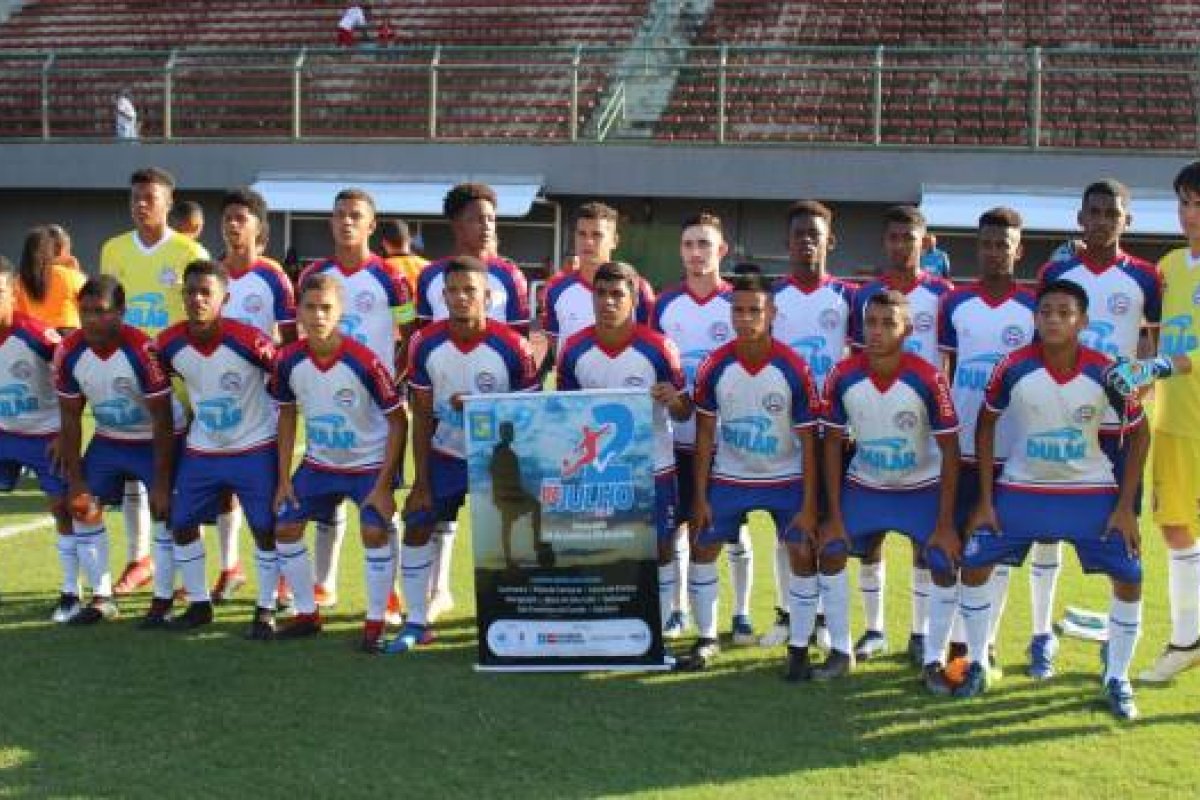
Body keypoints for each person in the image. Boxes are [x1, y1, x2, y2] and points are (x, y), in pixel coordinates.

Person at [959, 279, 1149, 721]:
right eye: (1046, 311)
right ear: (1036, 318)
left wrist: (1124, 507)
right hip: (1022, 488)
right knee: (974, 564)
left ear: (1082, 321)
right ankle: (977, 663)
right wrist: (986, 500)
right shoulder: (1013, 367)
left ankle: (1117, 677)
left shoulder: (1107, 370)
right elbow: (985, 426)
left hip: (1089, 490)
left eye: (1065, 312)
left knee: (1130, 575)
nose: (1054, 319)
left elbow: (1139, 433)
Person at [1031, 179, 1161, 680]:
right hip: (1061, 420)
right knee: (1046, 533)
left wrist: (1143, 383)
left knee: (1122, 534)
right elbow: (1044, 335)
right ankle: (1041, 636)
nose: (1104, 220)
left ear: (1127, 220)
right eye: (1096, 212)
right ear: (1080, 218)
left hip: (1118, 429)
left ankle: (1115, 641)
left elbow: (1160, 344)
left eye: (1114, 213)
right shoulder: (1056, 272)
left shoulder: (1147, 279)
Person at [387, 256, 538, 653]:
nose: (460, 297)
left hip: (501, 463)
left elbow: (531, 417)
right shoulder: (425, 343)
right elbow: (420, 414)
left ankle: (519, 617)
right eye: (452, 290)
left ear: (487, 297)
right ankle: (417, 620)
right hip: (447, 455)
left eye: (469, 290)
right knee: (418, 521)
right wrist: (420, 479)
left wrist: (482, 407)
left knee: (515, 534)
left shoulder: (514, 348)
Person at [678, 266, 822, 676]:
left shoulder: (793, 367)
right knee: (703, 545)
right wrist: (701, 496)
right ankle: (706, 638)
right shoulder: (715, 366)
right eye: (738, 311)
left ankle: (798, 645)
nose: (745, 319)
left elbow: (809, 440)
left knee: (800, 550)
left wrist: (810, 505)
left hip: (785, 477)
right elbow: (705, 433)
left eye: (754, 311)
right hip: (730, 476)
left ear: (771, 312)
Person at [821, 290, 961, 694]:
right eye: (872, 323)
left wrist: (947, 523)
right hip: (866, 486)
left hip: (920, 489)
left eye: (888, 323)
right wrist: (832, 514)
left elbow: (950, 450)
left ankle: (934, 660)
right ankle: (841, 651)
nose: (878, 331)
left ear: (908, 329)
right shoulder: (843, 374)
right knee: (830, 550)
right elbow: (832, 443)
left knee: (942, 560)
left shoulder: (927, 377)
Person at [272, 272, 407, 649]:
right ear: (298, 311)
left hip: (368, 466)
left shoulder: (365, 361)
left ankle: (376, 622)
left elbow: (398, 420)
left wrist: (384, 484)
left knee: (374, 531)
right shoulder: (287, 360)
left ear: (340, 311)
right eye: (310, 307)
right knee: (284, 527)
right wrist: (283, 478)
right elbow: (286, 414)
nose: (317, 316)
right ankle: (305, 613)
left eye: (326, 308)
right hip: (319, 465)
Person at [1103, 161, 1200, 683]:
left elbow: (1181, 354)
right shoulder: (1170, 265)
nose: (1190, 213)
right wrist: (1146, 376)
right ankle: (1187, 639)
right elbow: (1164, 339)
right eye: (1184, 202)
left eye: (1198, 203)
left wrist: (1163, 364)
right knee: (1176, 528)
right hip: (1174, 422)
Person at [415, 182, 530, 620]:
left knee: (501, 507)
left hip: (497, 419)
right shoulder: (429, 276)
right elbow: (420, 340)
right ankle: (437, 589)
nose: (486, 227)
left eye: (491, 219)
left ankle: (507, 599)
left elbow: (520, 347)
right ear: (455, 224)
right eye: (476, 219)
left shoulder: (511, 276)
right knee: (440, 508)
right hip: (445, 415)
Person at [556, 261, 691, 633]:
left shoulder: (659, 348)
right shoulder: (573, 349)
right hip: (599, 469)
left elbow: (683, 412)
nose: (608, 302)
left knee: (660, 544)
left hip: (653, 466)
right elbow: (563, 412)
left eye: (617, 294)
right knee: (601, 542)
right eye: (601, 294)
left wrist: (674, 399)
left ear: (634, 300)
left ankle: (665, 619)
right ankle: (605, 614)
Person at [849, 205, 954, 666]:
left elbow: (949, 357)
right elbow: (857, 359)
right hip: (874, 425)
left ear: (925, 242)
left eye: (908, 238)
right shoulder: (866, 296)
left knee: (920, 539)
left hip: (924, 424)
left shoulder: (944, 295)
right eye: (892, 237)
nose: (900, 245)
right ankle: (873, 629)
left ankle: (919, 632)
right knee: (869, 540)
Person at [299, 188, 412, 613]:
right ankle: (323, 584)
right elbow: (299, 335)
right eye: (340, 214)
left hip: (377, 410)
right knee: (326, 501)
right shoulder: (314, 273)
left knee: (383, 500)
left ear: (371, 225)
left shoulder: (391, 277)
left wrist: (389, 379)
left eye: (356, 215)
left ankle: (392, 589)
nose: (347, 221)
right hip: (327, 402)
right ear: (331, 222)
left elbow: (411, 333)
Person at [99, 167, 209, 597]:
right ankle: (139, 558)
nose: (140, 203)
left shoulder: (188, 250)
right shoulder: (113, 249)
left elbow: (202, 312)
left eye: (149, 196)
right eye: (135, 196)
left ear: (168, 201)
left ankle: (185, 574)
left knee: (176, 482)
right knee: (131, 477)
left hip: (176, 383)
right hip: (124, 380)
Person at [157, 260, 281, 636]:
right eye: (190, 292)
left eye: (205, 292)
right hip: (203, 448)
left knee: (264, 527)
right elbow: (161, 383)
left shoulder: (249, 340)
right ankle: (198, 604)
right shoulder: (168, 343)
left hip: (254, 446)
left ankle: (266, 607)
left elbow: (284, 370)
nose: (196, 299)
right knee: (181, 523)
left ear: (223, 298)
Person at [938, 207, 1036, 672]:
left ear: (1020, 250)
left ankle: (985, 642)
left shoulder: (1035, 309)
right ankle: (954, 642)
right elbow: (944, 375)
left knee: (998, 551)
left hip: (1013, 449)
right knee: (956, 544)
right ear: (976, 247)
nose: (995, 252)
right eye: (987, 244)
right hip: (962, 446)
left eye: (1004, 244)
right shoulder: (955, 304)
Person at [54, 276, 181, 626]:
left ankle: (163, 600)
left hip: (155, 439)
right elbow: (70, 416)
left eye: (101, 311)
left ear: (121, 313)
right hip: (110, 438)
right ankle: (102, 596)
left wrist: (161, 480)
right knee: (82, 507)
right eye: (85, 311)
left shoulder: (143, 350)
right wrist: (77, 481)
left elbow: (163, 420)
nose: (92, 319)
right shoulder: (68, 351)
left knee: (166, 511)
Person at [763, 199, 855, 649]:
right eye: (798, 234)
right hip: (782, 430)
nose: (806, 242)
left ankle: (820, 617)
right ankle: (789, 610)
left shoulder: (848, 297)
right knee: (788, 528)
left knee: (826, 524)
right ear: (787, 242)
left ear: (829, 242)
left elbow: (858, 362)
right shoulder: (771, 298)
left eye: (814, 235)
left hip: (832, 431)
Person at [652, 213, 741, 642]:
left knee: (732, 531)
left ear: (721, 250)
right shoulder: (665, 305)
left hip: (729, 440)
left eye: (704, 244)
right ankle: (675, 610)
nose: (695, 253)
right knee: (676, 525)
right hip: (675, 438)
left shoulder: (738, 304)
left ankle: (741, 612)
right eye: (688, 244)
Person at [207, 188, 297, 603]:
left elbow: (291, 340)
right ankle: (230, 567)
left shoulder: (273, 276)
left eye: (242, 217)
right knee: (224, 489)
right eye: (227, 216)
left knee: (268, 487)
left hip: (263, 401)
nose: (232, 223)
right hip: (217, 400)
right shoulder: (210, 273)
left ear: (259, 227)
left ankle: (278, 572)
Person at [0, 257, 74, 620]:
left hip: (45, 434)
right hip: (3, 432)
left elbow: (71, 377)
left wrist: (64, 431)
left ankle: (71, 592)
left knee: (64, 508)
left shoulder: (38, 334)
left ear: (12, 292)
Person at [542, 202, 654, 349]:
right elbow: (555, 345)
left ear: (614, 241)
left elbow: (649, 344)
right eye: (582, 234)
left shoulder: (639, 289)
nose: (588, 242)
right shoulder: (556, 289)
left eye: (597, 235)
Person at [489, 421, 548, 571]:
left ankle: (534, 544)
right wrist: (507, 496)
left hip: (513, 493)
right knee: (507, 525)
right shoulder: (501, 453)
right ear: (503, 434)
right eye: (508, 431)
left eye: (511, 431)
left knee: (532, 508)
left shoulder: (506, 452)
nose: (511, 434)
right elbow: (498, 476)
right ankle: (509, 558)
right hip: (507, 495)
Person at [15, 225, 86, 332]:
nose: (70, 255)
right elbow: (90, 306)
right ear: (60, 250)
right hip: (67, 338)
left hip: (34, 337)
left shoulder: (19, 280)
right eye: (68, 250)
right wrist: (76, 272)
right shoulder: (72, 276)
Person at [380, 218, 428, 298]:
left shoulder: (379, 269)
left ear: (384, 243)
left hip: (395, 310)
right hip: (423, 310)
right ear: (409, 240)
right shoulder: (428, 266)